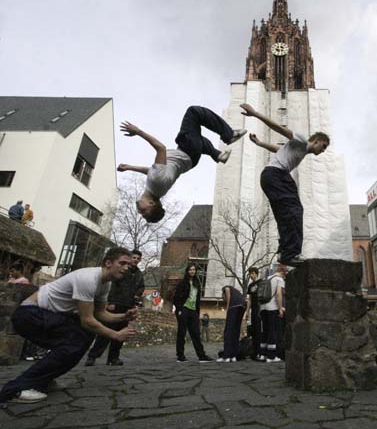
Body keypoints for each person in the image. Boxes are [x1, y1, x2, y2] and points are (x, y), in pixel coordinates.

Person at [0, 247, 137, 405]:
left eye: (128, 265)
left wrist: (123, 316)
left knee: (84, 337)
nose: (127, 268)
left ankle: (43, 380)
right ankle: (15, 389)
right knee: (76, 339)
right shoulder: (88, 278)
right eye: (123, 263)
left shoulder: (104, 284)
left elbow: (100, 314)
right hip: (29, 315)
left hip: (48, 316)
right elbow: (87, 320)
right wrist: (116, 335)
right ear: (108, 263)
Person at [117, 106, 247, 223]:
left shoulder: (157, 190)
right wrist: (138, 131)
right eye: (144, 212)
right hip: (188, 149)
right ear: (151, 203)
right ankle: (229, 135)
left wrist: (129, 167)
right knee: (194, 112)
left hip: (191, 159)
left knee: (200, 139)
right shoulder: (156, 182)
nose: (140, 212)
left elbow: (150, 171)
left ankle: (218, 155)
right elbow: (160, 148)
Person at [240, 103, 330, 266]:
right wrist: (255, 113)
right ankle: (291, 253)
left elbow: (277, 149)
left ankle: (284, 251)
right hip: (277, 175)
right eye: (323, 146)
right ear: (316, 140)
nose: (322, 151)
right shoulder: (302, 140)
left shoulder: (299, 150)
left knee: (284, 214)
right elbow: (279, 129)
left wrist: (260, 143)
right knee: (295, 210)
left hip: (268, 177)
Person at [85, 249, 145, 366]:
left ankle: (113, 358)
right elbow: (112, 285)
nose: (136, 260)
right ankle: (93, 356)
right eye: (134, 257)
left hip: (128, 305)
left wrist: (138, 294)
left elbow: (141, 286)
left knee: (122, 333)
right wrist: (110, 301)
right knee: (105, 333)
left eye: (138, 258)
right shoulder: (121, 271)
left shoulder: (139, 274)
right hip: (116, 303)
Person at [173, 264, 213, 363]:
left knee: (196, 333)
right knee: (181, 333)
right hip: (184, 309)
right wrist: (179, 309)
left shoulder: (197, 283)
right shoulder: (183, 283)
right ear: (187, 271)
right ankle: (180, 356)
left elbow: (197, 299)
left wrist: (197, 312)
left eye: (194, 269)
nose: (192, 271)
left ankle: (202, 356)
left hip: (193, 311)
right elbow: (176, 297)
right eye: (190, 269)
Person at [259, 264, 287, 363]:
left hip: (262, 308)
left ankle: (263, 354)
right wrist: (280, 308)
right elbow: (279, 294)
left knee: (265, 331)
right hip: (272, 308)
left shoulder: (267, 278)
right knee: (272, 331)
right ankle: (271, 356)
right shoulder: (279, 280)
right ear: (283, 272)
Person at [217, 285, 247, 363]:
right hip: (243, 306)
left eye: (224, 298)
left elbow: (229, 299)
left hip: (234, 307)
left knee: (228, 331)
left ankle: (226, 356)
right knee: (235, 331)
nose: (225, 299)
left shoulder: (226, 288)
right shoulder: (236, 291)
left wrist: (228, 309)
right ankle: (233, 356)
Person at [245, 267, 262, 360]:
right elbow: (250, 299)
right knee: (254, 330)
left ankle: (260, 352)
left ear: (256, 273)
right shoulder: (250, 285)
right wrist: (247, 311)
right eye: (250, 274)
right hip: (254, 309)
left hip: (261, 308)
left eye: (252, 273)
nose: (251, 276)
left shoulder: (261, 282)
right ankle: (254, 352)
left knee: (259, 330)